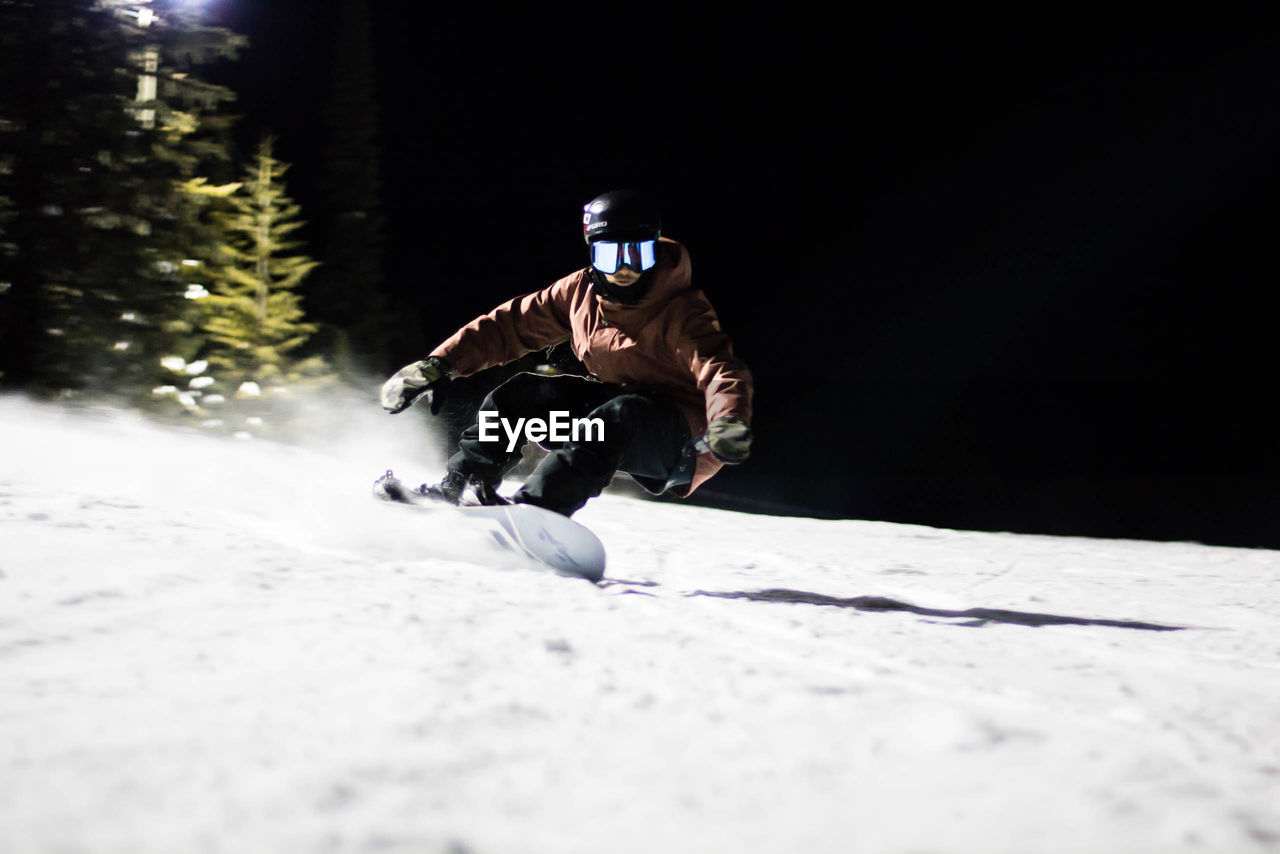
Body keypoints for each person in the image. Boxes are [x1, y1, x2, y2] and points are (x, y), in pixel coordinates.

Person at [377, 189, 754, 518]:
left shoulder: (681, 310)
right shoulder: (579, 293)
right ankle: (460, 486)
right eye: (610, 256)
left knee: (618, 416)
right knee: (524, 395)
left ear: (654, 251)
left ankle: (539, 509)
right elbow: (511, 326)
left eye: (636, 255)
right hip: (612, 423)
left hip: (681, 442)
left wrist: (729, 422)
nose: (624, 269)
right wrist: (440, 364)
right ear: (593, 255)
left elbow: (721, 370)